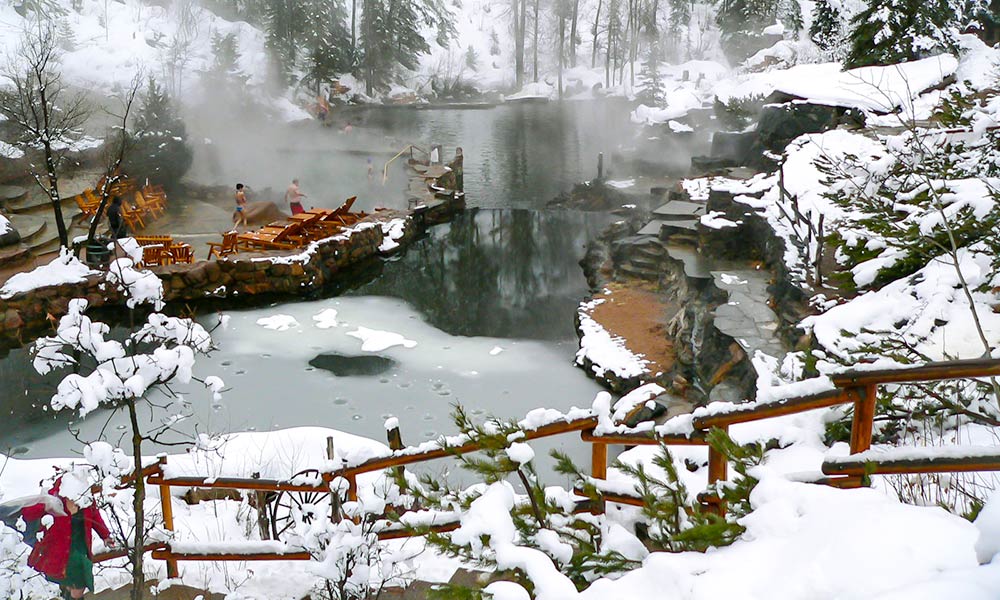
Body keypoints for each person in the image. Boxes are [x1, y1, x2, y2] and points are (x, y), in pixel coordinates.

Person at [22, 478, 114, 599]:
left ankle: (70, 596)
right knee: (77, 585)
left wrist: (105, 535)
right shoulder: (54, 500)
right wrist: (46, 506)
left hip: (81, 548)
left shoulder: (85, 500)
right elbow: (27, 514)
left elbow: (95, 515)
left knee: (77, 584)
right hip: (59, 551)